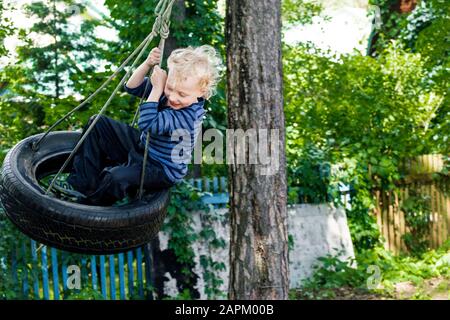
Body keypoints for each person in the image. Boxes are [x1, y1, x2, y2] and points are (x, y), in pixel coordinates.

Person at [64, 45, 222, 206]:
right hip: (144, 146)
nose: (173, 97)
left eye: (182, 94)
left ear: (201, 92)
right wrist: (147, 64)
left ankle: (88, 205)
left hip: (161, 168)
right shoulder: (169, 93)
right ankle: (83, 185)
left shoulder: (188, 117)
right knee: (98, 123)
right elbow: (131, 87)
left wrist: (158, 88)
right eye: (170, 87)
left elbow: (148, 123)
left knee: (117, 177)